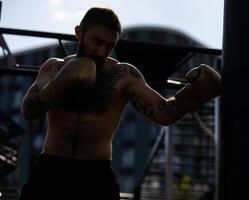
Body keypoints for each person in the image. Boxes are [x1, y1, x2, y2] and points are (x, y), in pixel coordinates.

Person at [19, 7, 221, 200]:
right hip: (52, 167)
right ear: (79, 33)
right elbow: (28, 111)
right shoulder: (53, 67)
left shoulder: (123, 75)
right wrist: (59, 84)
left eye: (109, 45)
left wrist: (194, 95)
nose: (101, 51)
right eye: (96, 41)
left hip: (96, 173)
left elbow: (164, 114)